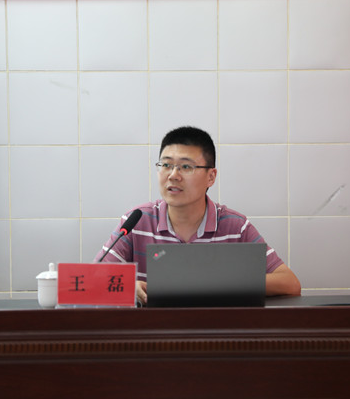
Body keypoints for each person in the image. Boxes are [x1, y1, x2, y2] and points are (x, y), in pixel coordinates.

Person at [95, 126, 301, 304]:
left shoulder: (235, 226)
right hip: (154, 332)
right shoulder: (137, 222)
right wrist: (128, 286)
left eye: (186, 167)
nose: (173, 175)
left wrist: (214, 283)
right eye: (166, 165)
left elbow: (289, 283)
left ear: (211, 177)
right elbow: (92, 280)